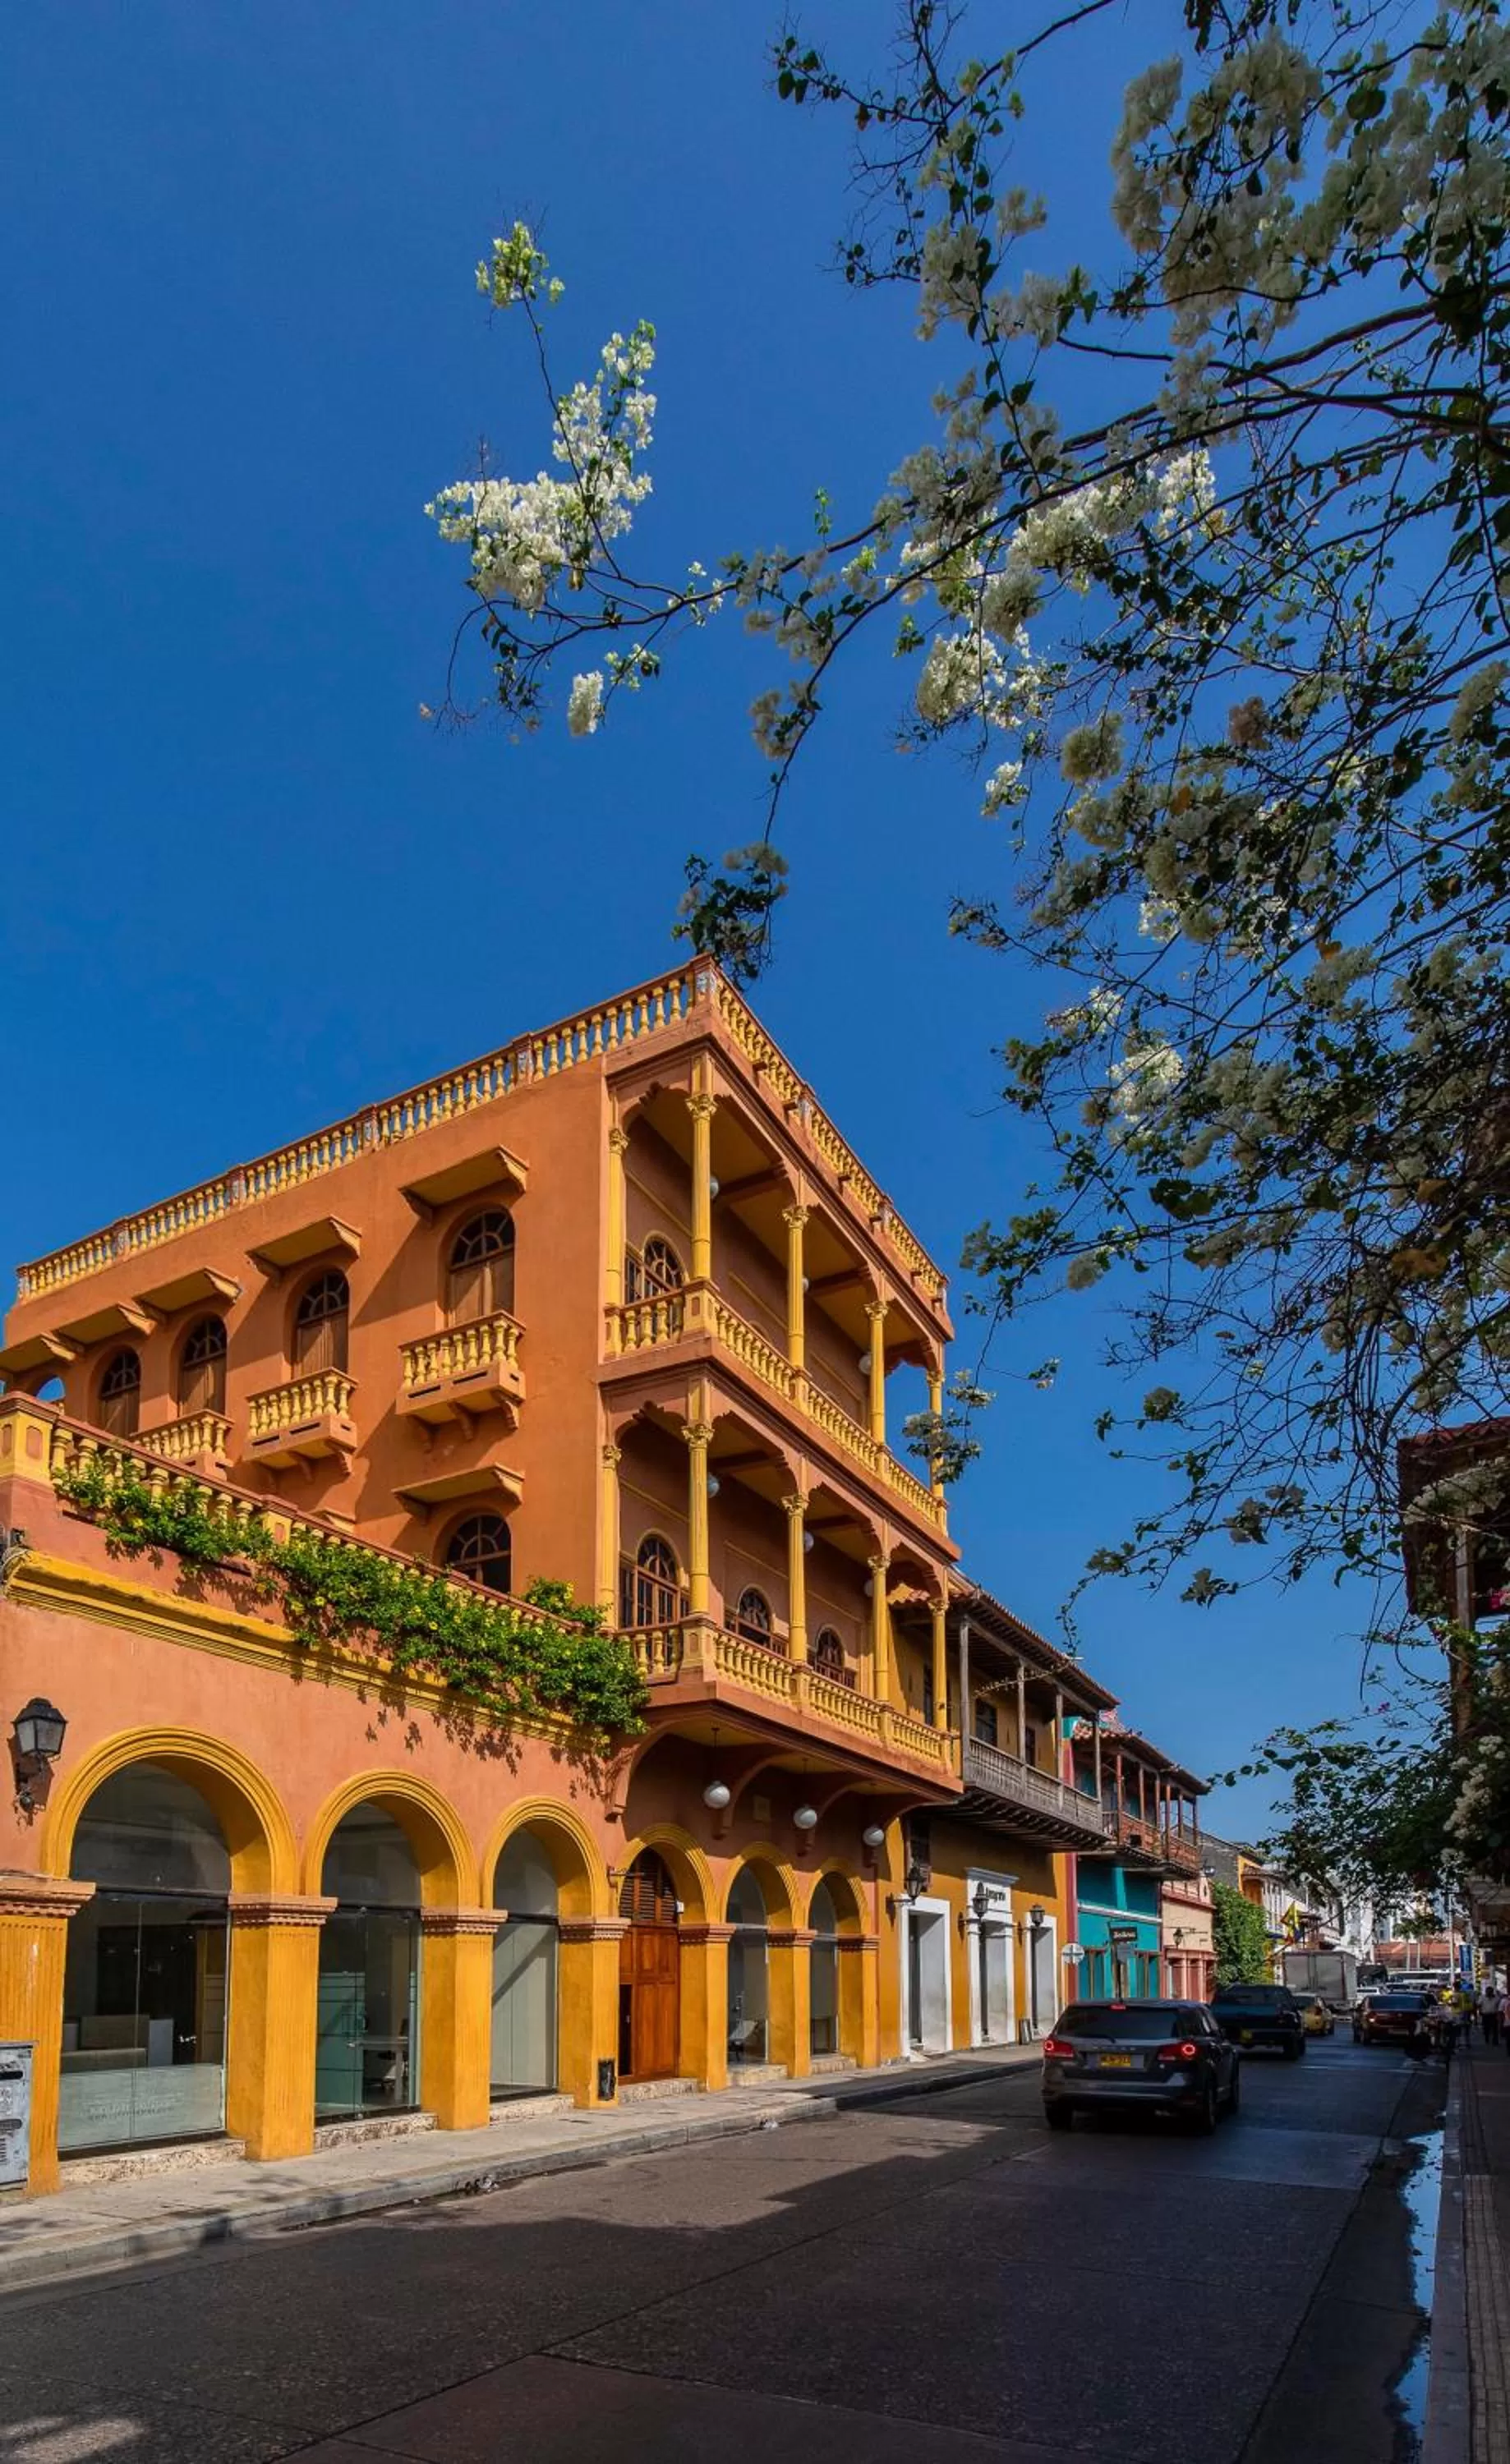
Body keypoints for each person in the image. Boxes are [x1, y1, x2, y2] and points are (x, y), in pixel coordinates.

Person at [1481, 1980, 1503, 2049]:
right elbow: (1478, 2004)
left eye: (1490, 1991)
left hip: (1493, 2015)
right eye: (1488, 1992)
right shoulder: (1483, 1998)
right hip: (1485, 2015)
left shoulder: (1496, 1998)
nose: (1489, 1993)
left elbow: (1499, 2006)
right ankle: (1487, 2039)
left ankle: (1495, 2041)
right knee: (1486, 2028)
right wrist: (1480, 2011)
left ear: (1492, 1992)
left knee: (1495, 2029)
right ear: (1486, 1992)